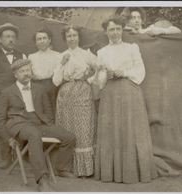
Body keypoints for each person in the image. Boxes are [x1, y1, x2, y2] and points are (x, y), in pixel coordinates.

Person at [0, 59, 76, 191]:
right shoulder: (7, 92)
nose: (26, 73)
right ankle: (42, 179)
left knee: (69, 137)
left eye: (28, 70)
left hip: (39, 122)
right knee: (34, 134)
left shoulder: (40, 89)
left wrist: (49, 124)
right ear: (15, 74)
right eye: (22, 71)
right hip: (19, 124)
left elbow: (48, 110)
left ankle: (62, 168)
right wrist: (8, 138)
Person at [94, 16, 158, 184]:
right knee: (111, 130)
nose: (114, 33)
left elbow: (140, 70)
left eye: (117, 29)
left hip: (129, 92)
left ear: (122, 30)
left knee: (130, 128)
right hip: (109, 94)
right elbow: (99, 82)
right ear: (105, 32)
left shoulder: (132, 48)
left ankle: (133, 172)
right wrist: (104, 75)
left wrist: (124, 72)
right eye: (111, 30)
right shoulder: (101, 53)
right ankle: (111, 173)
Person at [52, 25, 97, 178]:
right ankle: (66, 168)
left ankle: (85, 169)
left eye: (74, 35)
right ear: (65, 39)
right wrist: (62, 64)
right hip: (65, 95)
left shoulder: (87, 54)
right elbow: (56, 81)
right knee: (67, 128)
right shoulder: (61, 56)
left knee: (84, 129)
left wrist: (89, 79)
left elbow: (100, 70)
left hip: (83, 93)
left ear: (79, 37)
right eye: (69, 36)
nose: (72, 38)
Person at [0, 23, 27, 169]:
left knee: (21, 122)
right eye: (7, 36)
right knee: (2, 125)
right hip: (0, 98)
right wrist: (0, 94)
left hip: (19, 98)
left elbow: (26, 77)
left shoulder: (22, 56)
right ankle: (6, 157)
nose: (11, 39)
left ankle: (23, 156)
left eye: (13, 36)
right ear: (0, 39)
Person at [28, 27, 60, 116]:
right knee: (39, 112)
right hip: (37, 86)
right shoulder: (31, 57)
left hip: (53, 86)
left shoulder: (57, 55)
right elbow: (29, 74)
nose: (42, 41)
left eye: (44, 38)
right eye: (39, 39)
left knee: (52, 111)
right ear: (35, 42)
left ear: (49, 40)